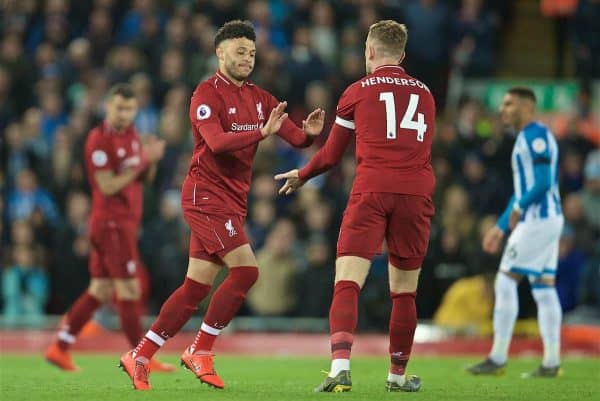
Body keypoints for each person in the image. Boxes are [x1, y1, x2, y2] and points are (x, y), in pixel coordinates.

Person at [119, 20, 324, 391]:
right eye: (240, 51)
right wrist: (261, 132)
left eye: (252, 53)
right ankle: (201, 350)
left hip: (231, 201)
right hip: (205, 197)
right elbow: (215, 142)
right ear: (220, 52)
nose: (247, 58)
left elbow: (292, 135)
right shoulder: (205, 93)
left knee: (196, 289)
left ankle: (140, 354)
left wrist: (308, 134)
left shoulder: (260, 98)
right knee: (247, 272)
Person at [275, 20, 436, 393]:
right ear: (403, 55)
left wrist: (303, 173)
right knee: (405, 291)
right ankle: (397, 376)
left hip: (372, 189)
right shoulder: (426, 94)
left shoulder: (357, 91)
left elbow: (331, 156)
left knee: (348, 280)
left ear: (369, 51)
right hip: (415, 193)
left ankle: (340, 368)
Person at [44, 84, 169, 372]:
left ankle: (59, 347)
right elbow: (107, 184)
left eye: (129, 108)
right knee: (129, 288)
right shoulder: (98, 140)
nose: (124, 113)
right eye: (119, 107)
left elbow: (143, 178)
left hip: (121, 223)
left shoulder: (133, 136)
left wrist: (152, 160)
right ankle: (141, 356)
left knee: (100, 290)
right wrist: (141, 164)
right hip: (111, 224)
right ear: (107, 107)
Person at [466, 87, 564, 378]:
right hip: (544, 220)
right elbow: (522, 191)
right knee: (544, 289)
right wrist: (499, 227)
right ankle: (551, 362)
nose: (502, 110)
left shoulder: (536, 136)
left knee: (505, 281)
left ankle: (497, 357)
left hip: (539, 220)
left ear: (526, 107)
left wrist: (520, 206)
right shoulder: (524, 138)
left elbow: (544, 181)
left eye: (509, 104)